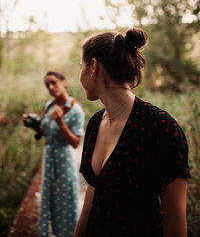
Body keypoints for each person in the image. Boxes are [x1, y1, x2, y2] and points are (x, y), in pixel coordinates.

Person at [73, 28, 191, 237]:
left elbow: (175, 220)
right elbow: (94, 189)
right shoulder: (95, 123)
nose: (79, 74)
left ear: (93, 67)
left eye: (80, 66)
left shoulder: (160, 127)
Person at [23, 71, 85, 237]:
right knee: (48, 199)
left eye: (53, 82)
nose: (50, 87)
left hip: (64, 162)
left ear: (63, 82)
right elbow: (45, 131)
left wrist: (60, 122)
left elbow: (75, 142)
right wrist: (32, 124)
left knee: (65, 202)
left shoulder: (76, 110)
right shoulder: (49, 106)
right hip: (49, 160)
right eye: (47, 85)